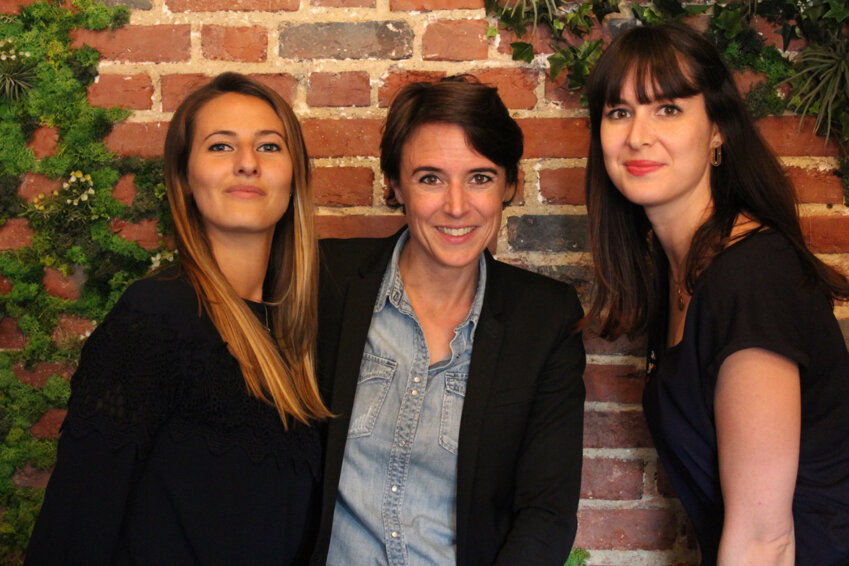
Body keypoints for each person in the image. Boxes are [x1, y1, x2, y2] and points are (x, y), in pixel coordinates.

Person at [25, 72, 330, 565]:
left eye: (270, 147)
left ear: (295, 178)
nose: (248, 164)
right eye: (220, 147)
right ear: (185, 179)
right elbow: (75, 525)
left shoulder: (303, 335)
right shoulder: (155, 318)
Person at [584, 22, 849, 566]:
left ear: (718, 131)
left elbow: (765, 541)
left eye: (668, 109)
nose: (637, 135)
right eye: (619, 112)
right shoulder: (686, 274)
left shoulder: (749, 278)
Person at [311, 75, 586, 566]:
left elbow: (546, 513)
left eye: (479, 177)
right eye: (430, 178)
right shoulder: (324, 283)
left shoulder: (544, 320)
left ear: (510, 185)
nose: (457, 207)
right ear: (394, 184)